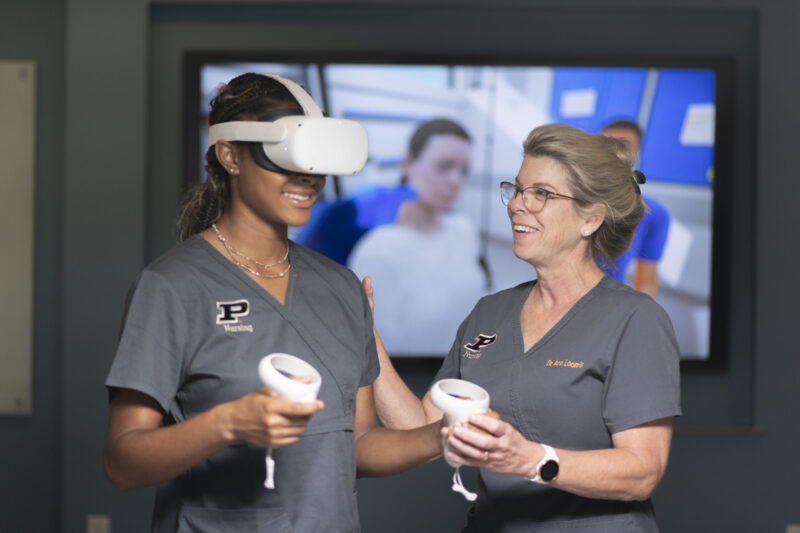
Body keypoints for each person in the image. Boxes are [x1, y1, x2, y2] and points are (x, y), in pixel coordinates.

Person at [102, 73, 443, 533]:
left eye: (317, 160)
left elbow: (357, 444)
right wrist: (229, 424)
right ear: (230, 156)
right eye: (288, 156)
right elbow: (123, 462)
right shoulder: (172, 286)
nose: (309, 177)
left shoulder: (342, 287)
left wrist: (443, 437)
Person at [369, 123, 681, 531]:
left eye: (542, 194)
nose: (517, 204)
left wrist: (533, 460)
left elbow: (642, 471)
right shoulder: (490, 313)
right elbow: (420, 432)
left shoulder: (636, 319)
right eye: (517, 189)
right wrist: (365, 334)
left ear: (591, 219)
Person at [347, 119, 488, 355]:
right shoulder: (378, 251)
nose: (456, 180)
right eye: (444, 166)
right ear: (408, 163)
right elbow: (379, 353)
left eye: (464, 171)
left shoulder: (464, 229)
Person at [599, 119, 671, 299]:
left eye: (623, 145)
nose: (613, 152)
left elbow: (646, 281)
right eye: (605, 145)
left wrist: (640, 322)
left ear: (637, 153)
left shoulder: (653, 214)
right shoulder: (569, 199)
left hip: (610, 306)